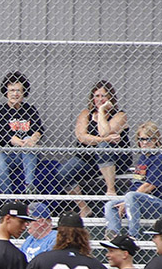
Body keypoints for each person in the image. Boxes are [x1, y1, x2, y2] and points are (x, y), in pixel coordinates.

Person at [53, 81, 129, 213]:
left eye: (103, 96)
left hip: (114, 160)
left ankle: (111, 190)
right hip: (88, 159)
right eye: (97, 96)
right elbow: (82, 137)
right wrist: (104, 139)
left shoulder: (120, 115)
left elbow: (103, 131)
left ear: (110, 97)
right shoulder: (86, 114)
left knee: (103, 147)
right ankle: (84, 208)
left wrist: (101, 111)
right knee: (62, 173)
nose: (100, 99)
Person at [105, 121, 162, 239]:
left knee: (131, 196)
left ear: (156, 140)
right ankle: (114, 236)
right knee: (110, 205)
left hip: (159, 203)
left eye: (147, 139)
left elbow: (148, 186)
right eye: (140, 139)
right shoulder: (143, 157)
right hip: (136, 201)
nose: (144, 143)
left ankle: (133, 236)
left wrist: (128, 200)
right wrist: (126, 201)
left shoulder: (161, 158)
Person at [0, 72, 44, 194]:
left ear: (24, 92)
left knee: (29, 140)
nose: (15, 94)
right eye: (12, 90)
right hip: (2, 153)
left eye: (19, 90)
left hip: (24, 154)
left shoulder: (30, 110)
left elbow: (38, 129)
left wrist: (32, 139)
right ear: (6, 92)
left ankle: (29, 188)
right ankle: (9, 198)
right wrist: (19, 142)